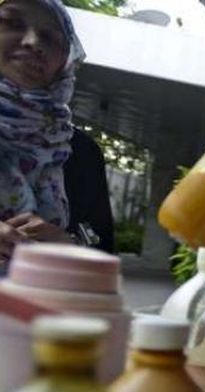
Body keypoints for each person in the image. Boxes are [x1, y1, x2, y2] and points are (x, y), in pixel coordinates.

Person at [0, 0, 113, 259]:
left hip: (42, 297)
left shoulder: (80, 152)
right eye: (14, 23)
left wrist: (70, 245)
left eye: (50, 38)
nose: (32, 42)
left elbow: (104, 252)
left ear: (65, 61)